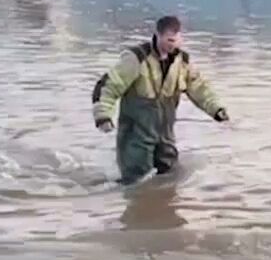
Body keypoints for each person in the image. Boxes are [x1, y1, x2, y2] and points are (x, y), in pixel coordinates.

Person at [92, 16, 229, 185]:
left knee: (169, 180)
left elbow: (200, 88)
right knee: (136, 183)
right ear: (157, 35)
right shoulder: (136, 59)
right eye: (169, 40)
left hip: (165, 139)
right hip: (136, 139)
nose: (174, 45)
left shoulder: (182, 62)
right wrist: (103, 116)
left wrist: (217, 109)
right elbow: (108, 86)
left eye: (177, 40)